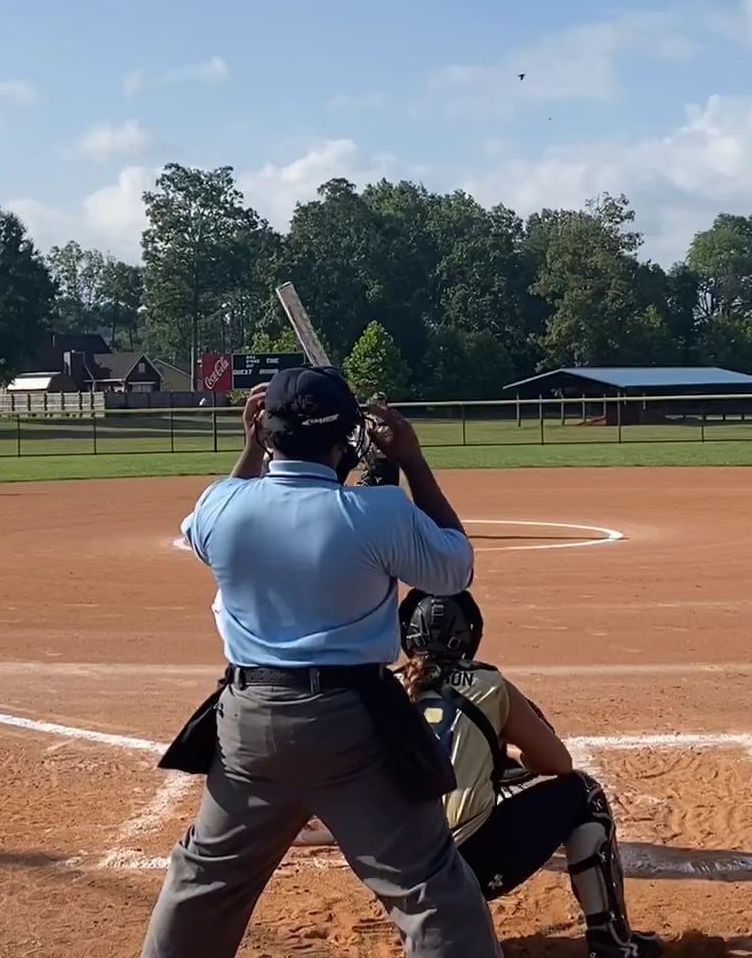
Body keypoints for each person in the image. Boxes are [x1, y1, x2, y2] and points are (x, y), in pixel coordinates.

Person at [146, 365, 500, 958]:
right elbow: (454, 568)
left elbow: (211, 520)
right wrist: (412, 462)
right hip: (352, 725)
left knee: (202, 882)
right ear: (344, 439)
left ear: (265, 431)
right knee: (429, 889)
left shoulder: (221, 505)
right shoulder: (378, 512)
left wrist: (250, 451)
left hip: (249, 722)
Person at [397, 589, 664, 958]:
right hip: (466, 869)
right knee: (583, 793)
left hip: (399, 876)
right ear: (468, 634)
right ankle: (613, 943)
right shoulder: (489, 684)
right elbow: (558, 764)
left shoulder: (385, 690)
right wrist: (507, 758)